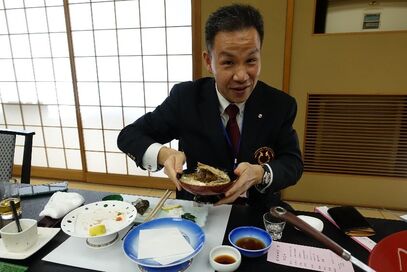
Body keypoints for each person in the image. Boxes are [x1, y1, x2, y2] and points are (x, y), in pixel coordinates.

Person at [117, 4, 303, 210]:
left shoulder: (279, 104)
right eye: (228, 62)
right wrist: (165, 155)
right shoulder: (186, 98)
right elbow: (129, 135)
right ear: (209, 61)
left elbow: (292, 163)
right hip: (199, 208)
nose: (241, 76)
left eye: (251, 60)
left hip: (256, 210)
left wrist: (260, 173)